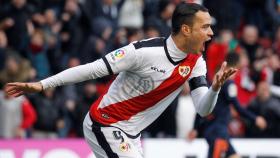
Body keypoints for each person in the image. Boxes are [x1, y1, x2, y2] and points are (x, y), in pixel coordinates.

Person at [5, 3, 236, 158]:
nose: (210, 33)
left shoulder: (196, 62)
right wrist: (43, 84)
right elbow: (91, 70)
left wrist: (214, 88)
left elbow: (203, 110)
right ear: (186, 29)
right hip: (104, 123)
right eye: (205, 27)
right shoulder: (142, 52)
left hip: (131, 134)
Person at [188, 53, 267, 158]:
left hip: (213, 130)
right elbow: (237, 107)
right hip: (218, 131)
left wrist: (195, 128)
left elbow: (202, 106)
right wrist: (255, 119)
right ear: (238, 62)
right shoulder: (228, 82)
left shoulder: (215, 82)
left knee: (235, 156)